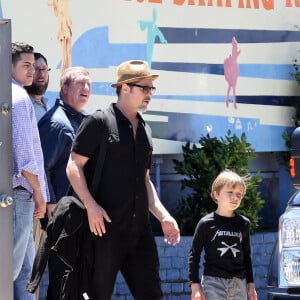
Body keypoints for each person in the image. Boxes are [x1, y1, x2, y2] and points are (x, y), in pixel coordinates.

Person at [66, 60, 180, 300]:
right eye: (144, 88)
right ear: (125, 88)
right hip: (103, 231)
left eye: (151, 89)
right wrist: (90, 205)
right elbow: (73, 165)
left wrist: (164, 215)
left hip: (140, 233)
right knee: (95, 295)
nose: (149, 94)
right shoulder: (98, 122)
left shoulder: (146, 129)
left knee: (152, 295)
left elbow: (145, 180)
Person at [38, 66, 91, 299]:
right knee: (62, 281)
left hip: (81, 216)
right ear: (64, 88)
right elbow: (42, 168)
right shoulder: (56, 124)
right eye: (80, 83)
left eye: (89, 84)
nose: (86, 88)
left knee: (78, 282)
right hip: (62, 217)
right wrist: (50, 204)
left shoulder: (80, 121)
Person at [12, 42, 49, 300]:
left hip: (20, 194)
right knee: (10, 271)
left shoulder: (13, 94)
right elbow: (25, 155)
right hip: (21, 193)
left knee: (26, 273)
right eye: (25, 66)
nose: (32, 72)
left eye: (33, 66)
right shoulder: (18, 97)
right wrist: (38, 192)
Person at [188, 170, 257, 300]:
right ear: (216, 194)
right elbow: (194, 255)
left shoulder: (244, 224)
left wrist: (251, 284)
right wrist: (195, 286)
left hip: (238, 283)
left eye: (239, 194)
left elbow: (247, 256)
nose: (235, 197)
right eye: (230, 192)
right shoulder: (205, 224)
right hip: (213, 282)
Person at [24, 51, 51, 300]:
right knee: (28, 265)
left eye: (44, 69)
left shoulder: (46, 107)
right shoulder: (21, 105)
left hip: (44, 198)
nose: (40, 74)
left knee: (37, 264)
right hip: (29, 196)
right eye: (35, 68)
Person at [25, 52, 51, 122]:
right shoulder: (22, 106)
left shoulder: (47, 106)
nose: (41, 74)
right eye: (36, 69)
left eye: (44, 69)